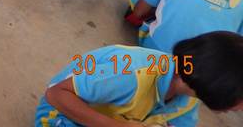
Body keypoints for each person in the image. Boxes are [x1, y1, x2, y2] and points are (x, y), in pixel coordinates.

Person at [35, 31, 243, 126]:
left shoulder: (191, 93)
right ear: (215, 83)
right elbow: (56, 94)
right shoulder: (131, 74)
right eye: (239, 97)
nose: (240, 107)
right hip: (62, 115)